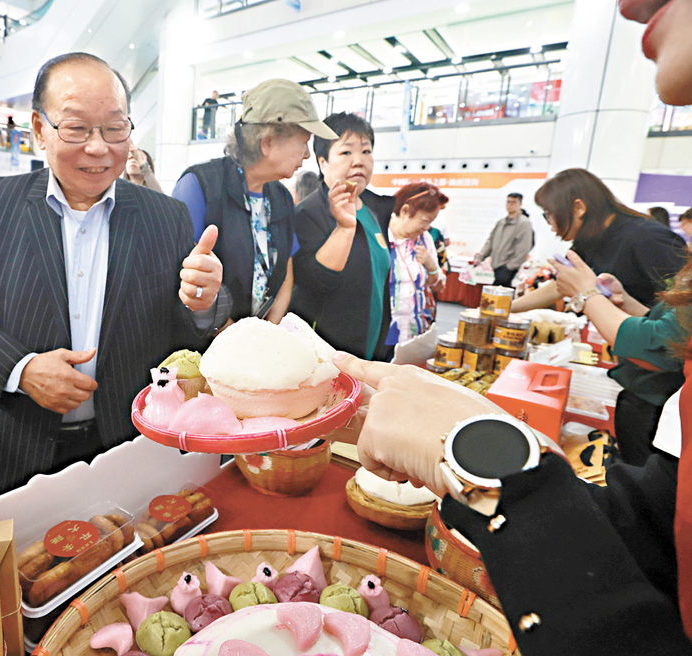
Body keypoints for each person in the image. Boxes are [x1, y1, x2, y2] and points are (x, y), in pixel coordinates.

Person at [331, 2, 692, 650]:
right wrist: (502, 467)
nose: (626, 7)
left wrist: (480, 459)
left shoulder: (638, 239)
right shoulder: (357, 228)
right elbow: (660, 534)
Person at [0, 53, 230, 500]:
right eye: (77, 128)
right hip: (17, 444)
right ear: (39, 129)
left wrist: (203, 301)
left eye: (114, 128)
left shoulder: (166, 216)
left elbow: (184, 326)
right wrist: (20, 369)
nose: (99, 147)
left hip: (130, 442)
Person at [172, 78, 337, 323]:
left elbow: (286, 274)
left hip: (258, 338)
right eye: (303, 142)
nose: (307, 154)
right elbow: (181, 277)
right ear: (267, 142)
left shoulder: (281, 197)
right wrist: (233, 335)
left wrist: (267, 331)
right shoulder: (200, 186)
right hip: (205, 339)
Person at [550, 252, 685, 465]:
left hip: (656, 412)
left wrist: (586, 295)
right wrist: (624, 302)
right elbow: (669, 328)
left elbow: (656, 348)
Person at [292, 112, 395, 360]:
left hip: (373, 352)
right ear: (323, 162)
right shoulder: (308, 213)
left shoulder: (375, 210)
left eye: (366, 151)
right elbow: (313, 284)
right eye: (346, 152)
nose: (359, 161)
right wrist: (344, 228)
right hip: (328, 359)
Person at [511, 168, 687, 313]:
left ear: (579, 208)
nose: (550, 223)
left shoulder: (648, 239)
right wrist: (507, 308)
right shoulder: (588, 239)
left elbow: (681, 314)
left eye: (549, 214)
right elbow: (559, 286)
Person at [384, 182, 447, 358]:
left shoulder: (425, 239)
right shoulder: (379, 236)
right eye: (425, 221)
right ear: (405, 211)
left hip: (415, 331)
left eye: (431, 222)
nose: (427, 228)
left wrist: (431, 266)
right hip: (382, 332)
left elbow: (439, 286)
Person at [474, 192, 534, 287]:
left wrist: (511, 266)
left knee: (498, 290)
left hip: (508, 267)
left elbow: (524, 247)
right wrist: (480, 257)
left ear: (520, 204)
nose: (510, 205)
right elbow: (490, 241)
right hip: (496, 264)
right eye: (508, 202)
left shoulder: (524, 223)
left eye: (514, 202)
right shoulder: (501, 222)